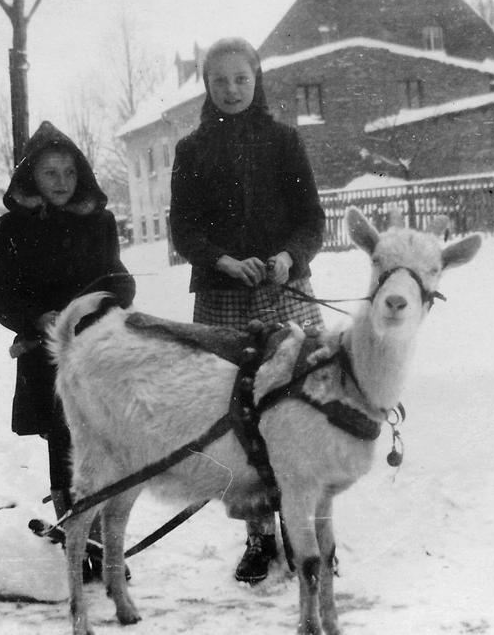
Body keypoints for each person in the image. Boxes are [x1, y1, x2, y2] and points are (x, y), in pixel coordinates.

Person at [169, 37, 326, 584]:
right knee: (235, 419)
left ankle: (308, 534)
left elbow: (312, 220)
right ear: (207, 87)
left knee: (302, 410)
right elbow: (182, 228)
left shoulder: (285, 141)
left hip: (287, 293)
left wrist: (288, 257)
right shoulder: (191, 150)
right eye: (220, 81)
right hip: (223, 297)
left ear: (257, 79)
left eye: (242, 78)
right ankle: (257, 537)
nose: (232, 89)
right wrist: (223, 260)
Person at [0, 120, 135, 579]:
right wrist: (36, 319)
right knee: (62, 440)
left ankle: (101, 541)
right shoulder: (7, 229)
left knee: (102, 444)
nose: (63, 183)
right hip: (44, 355)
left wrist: (111, 298)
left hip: (93, 350)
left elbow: (116, 278)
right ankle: (78, 536)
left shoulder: (99, 222)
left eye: (70, 172)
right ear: (31, 176)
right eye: (50, 174)